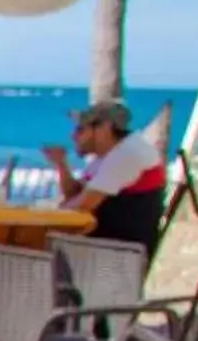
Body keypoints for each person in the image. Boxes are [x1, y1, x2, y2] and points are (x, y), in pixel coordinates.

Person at [45, 99, 166, 254]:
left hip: (118, 255)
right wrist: (61, 163)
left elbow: (83, 205)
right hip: (106, 247)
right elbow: (74, 193)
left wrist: (47, 215)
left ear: (105, 128)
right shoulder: (110, 155)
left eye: (81, 129)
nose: (73, 135)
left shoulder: (126, 154)